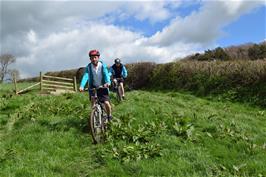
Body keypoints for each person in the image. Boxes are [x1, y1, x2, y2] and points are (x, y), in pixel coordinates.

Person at [79, 49, 112, 120]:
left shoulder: (102, 65)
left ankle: (109, 115)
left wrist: (108, 82)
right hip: (93, 87)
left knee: (106, 103)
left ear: (98, 58)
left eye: (95, 57)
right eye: (92, 58)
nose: (94, 59)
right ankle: (94, 117)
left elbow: (106, 74)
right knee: (93, 102)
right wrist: (82, 86)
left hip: (103, 86)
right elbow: (86, 76)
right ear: (90, 59)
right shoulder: (89, 67)